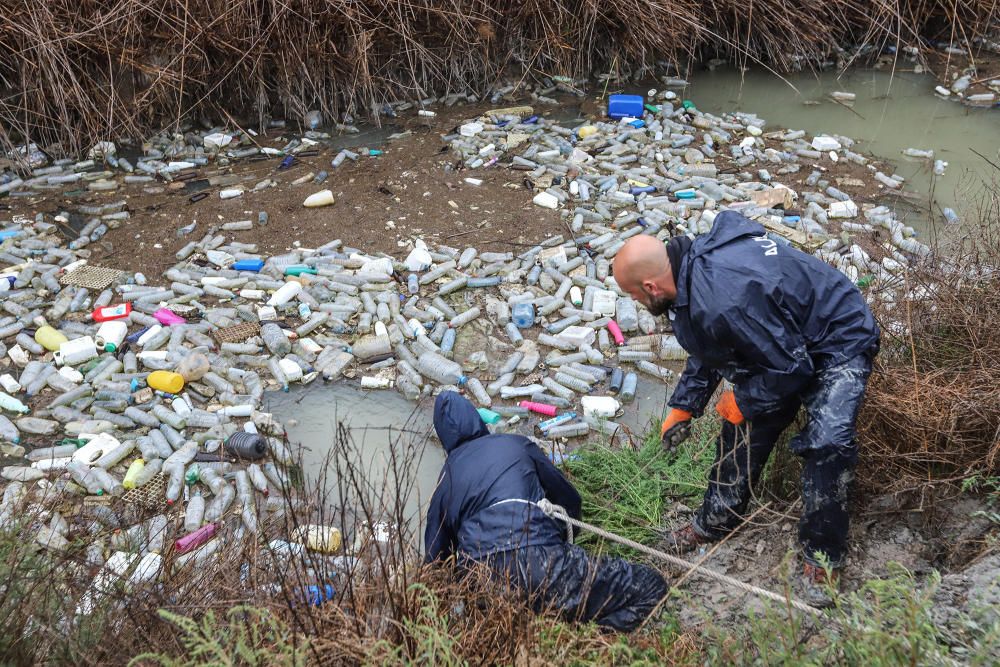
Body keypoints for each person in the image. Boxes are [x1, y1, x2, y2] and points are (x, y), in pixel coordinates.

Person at [612, 210, 879, 606]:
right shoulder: (690, 275)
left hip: (835, 338)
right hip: (784, 341)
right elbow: (713, 344)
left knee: (827, 443)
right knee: (741, 424)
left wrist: (742, 398)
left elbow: (792, 368)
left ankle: (822, 555)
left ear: (650, 286)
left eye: (634, 294)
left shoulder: (721, 297)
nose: (635, 301)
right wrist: (685, 405)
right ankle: (717, 520)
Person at [424, 391, 668, 631]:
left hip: (483, 584)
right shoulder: (515, 444)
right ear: (476, 418)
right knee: (652, 588)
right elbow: (568, 499)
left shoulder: (444, 482)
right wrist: (562, 544)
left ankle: (535, 632)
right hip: (543, 563)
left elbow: (436, 565)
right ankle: (581, 637)